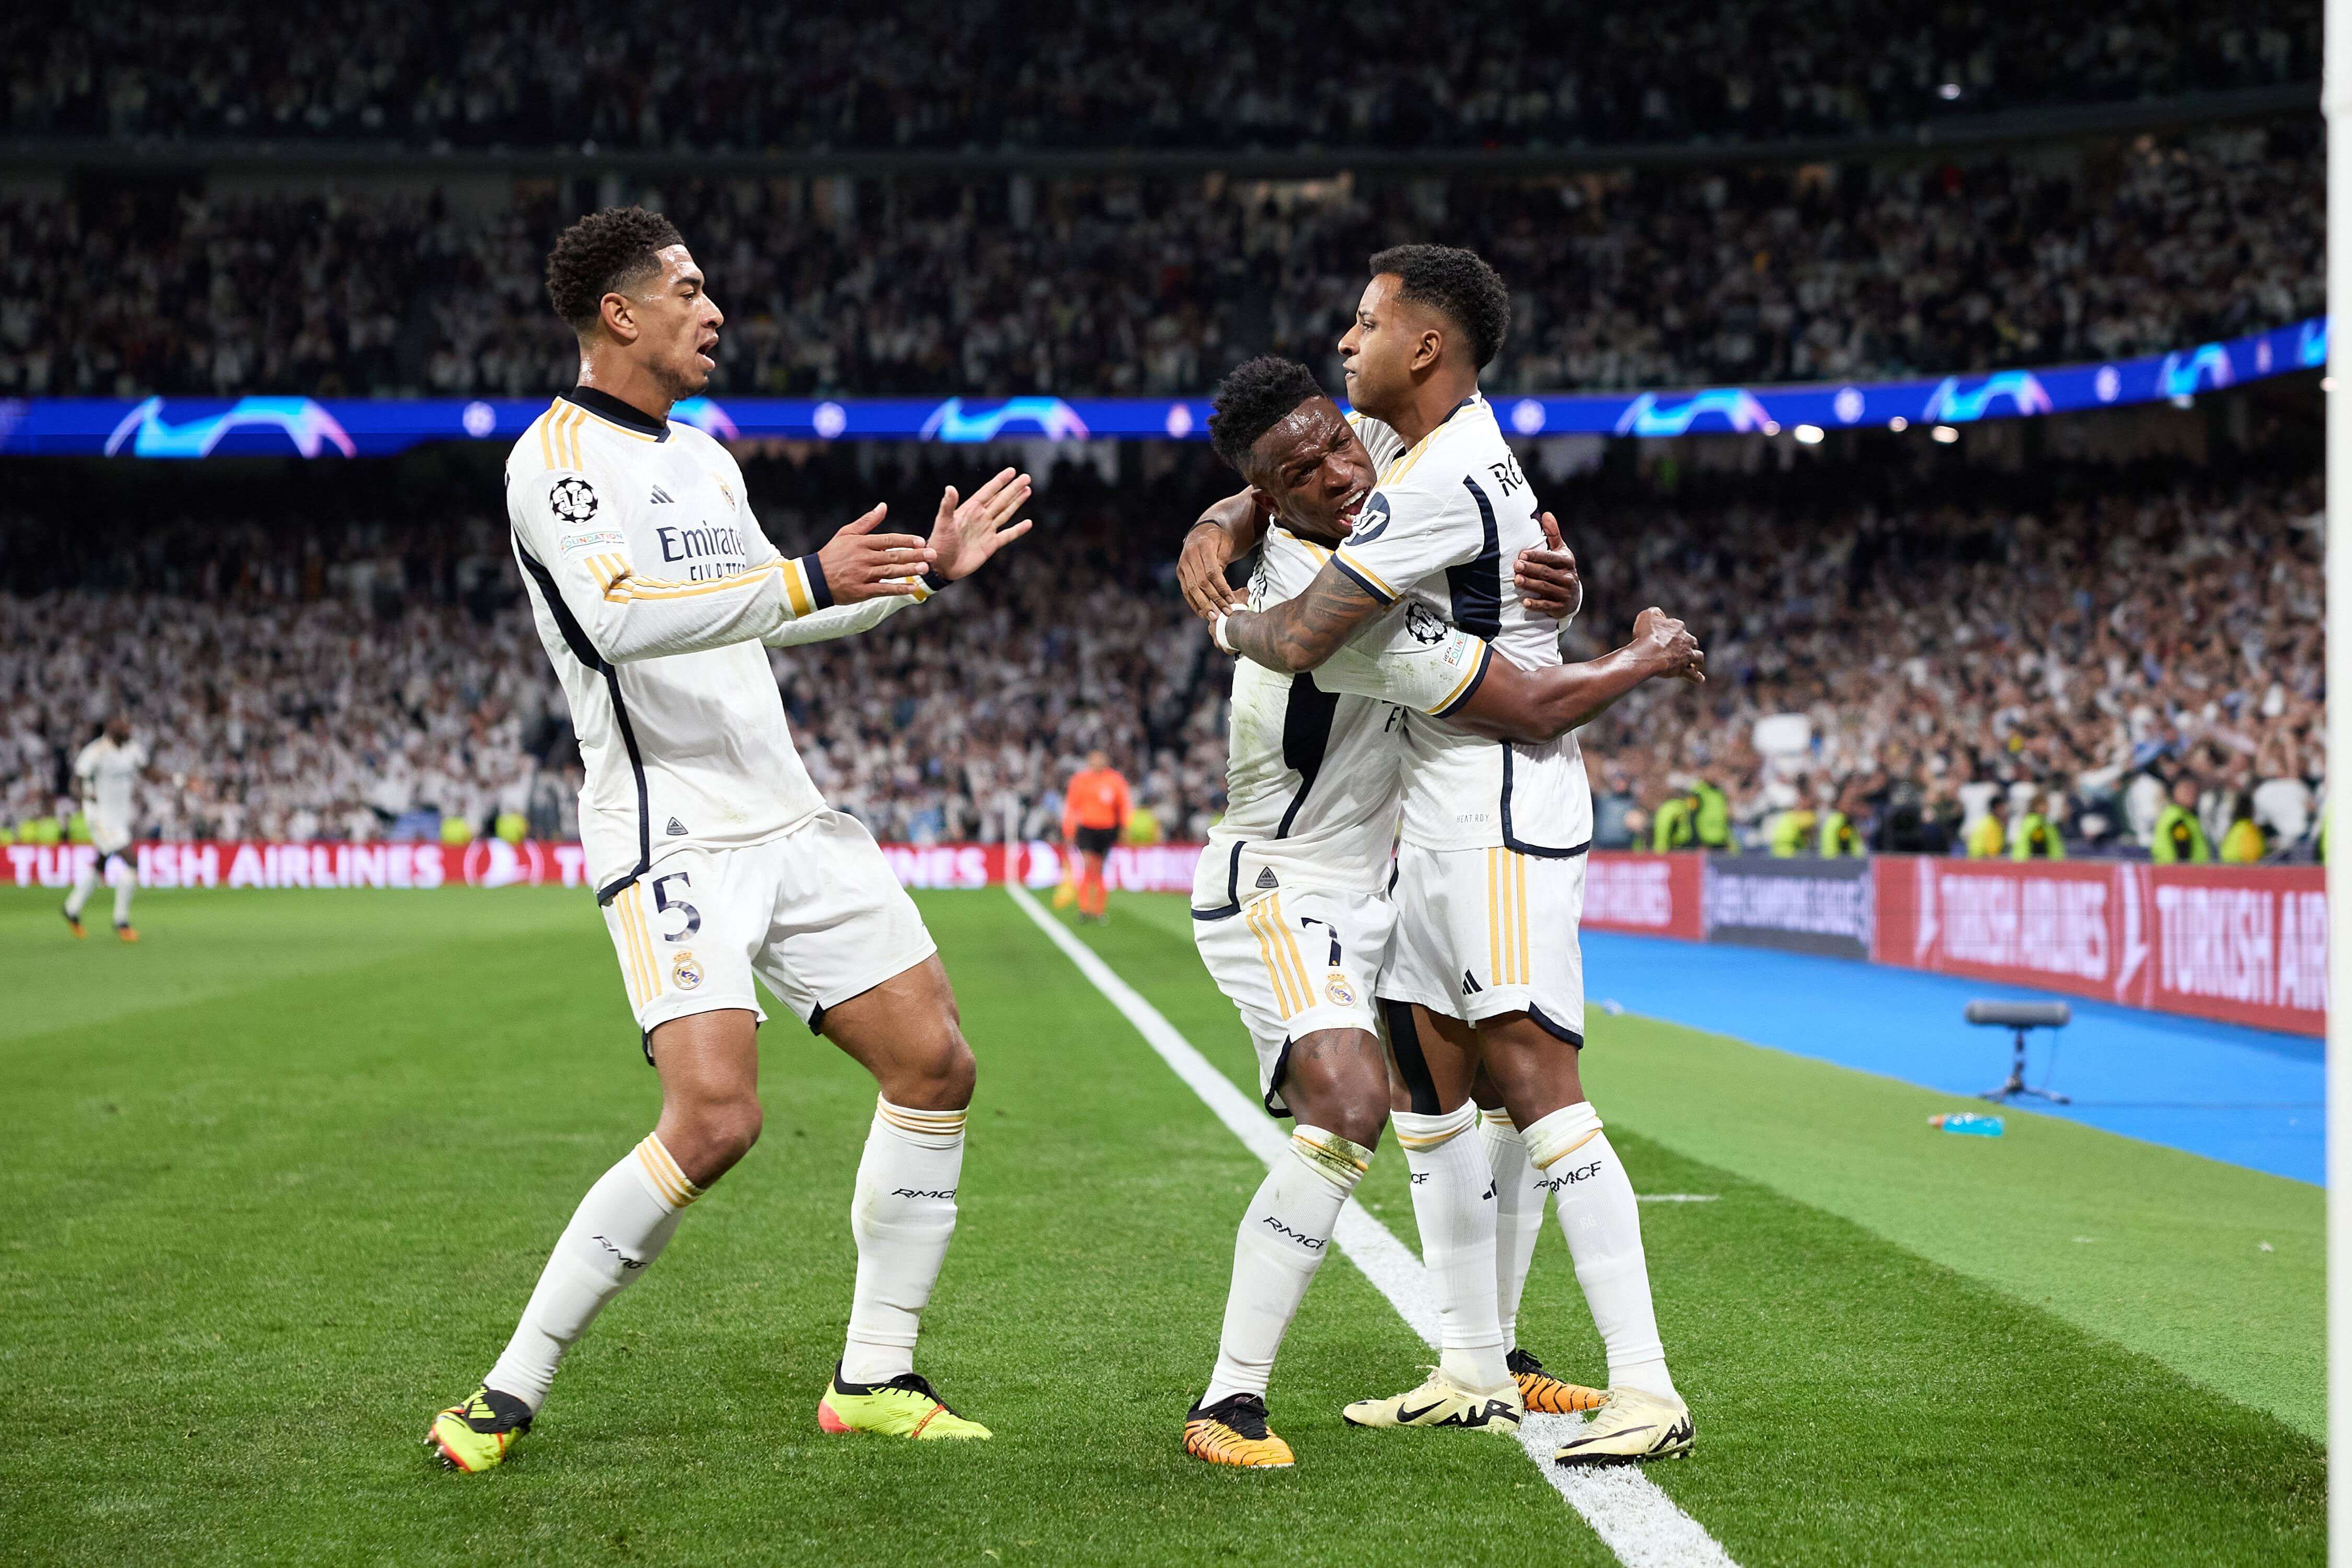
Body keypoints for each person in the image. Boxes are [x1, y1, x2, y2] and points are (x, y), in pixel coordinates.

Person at [426, 207, 1034, 1473]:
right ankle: (505, 1389)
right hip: (675, 833)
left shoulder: (705, 458)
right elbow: (614, 620)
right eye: (689, 290)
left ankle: (875, 1371)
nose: (714, 311)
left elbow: (772, 612)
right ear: (620, 313)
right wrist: (808, 577)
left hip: (789, 812)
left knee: (934, 1063)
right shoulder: (551, 461)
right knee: (713, 1120)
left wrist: (916, 577)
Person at [1205, 249, 1702, 1467]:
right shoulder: (1404, 462)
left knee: (1530, 1079)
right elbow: (1288, 491)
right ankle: (1472, 1365)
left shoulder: (1428, 480)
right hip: (1424, 817)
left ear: (1422, 346)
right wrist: (1225, 511)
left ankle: (1645, 1385)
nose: (1344, 337)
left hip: (1493, 801)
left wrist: (1212, 600)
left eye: (1365, 322)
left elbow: (1317, 631)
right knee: (1435, 1087)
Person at [62, 713, 148, 942]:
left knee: (102, 862)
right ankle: (122, 922)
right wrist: (85, 794)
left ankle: (72, 908)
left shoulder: (133, 750)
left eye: (129, 722)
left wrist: (178, 779)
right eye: (123, 723)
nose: (128, 727)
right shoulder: (95, 752)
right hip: (100, 818)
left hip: (119, 819)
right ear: (111, 727)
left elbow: (148, 771)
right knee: (132, 862)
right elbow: (76, 784)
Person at [1060, 750, 1129, 922]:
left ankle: (1098, 910)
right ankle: (1084, 908)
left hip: (1107, 830)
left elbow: (1123, 805)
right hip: (1087, 828)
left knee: (1099, 870)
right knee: (1088, 865)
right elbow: (1072, 806)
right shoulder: (1080, 780)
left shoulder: (1115, 780)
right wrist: (1069, 830)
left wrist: (1124, 827)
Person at [2152, 775, 2211, 863]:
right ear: (2175, 791)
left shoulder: (2183, 815)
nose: (2191, 794)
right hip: (2181, 873)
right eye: (2186, 790)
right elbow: (2183, 852)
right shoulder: (2177, 819)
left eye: (2194, 790)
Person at [2011, 793, 2066, 860]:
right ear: (2036, 807)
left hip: (2040, 861)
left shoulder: (2045, 823)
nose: (2047, 807)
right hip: (2032, 862)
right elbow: (2037, 844)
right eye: (2044, 805)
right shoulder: (2036, 824)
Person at [1967, 793, 2009, 858]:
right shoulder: (1991, 825)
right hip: (1982, 860)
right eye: (2003, 808)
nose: (2005, 812)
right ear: (1997, 808)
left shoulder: (1989, 822)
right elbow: (1992, 851)